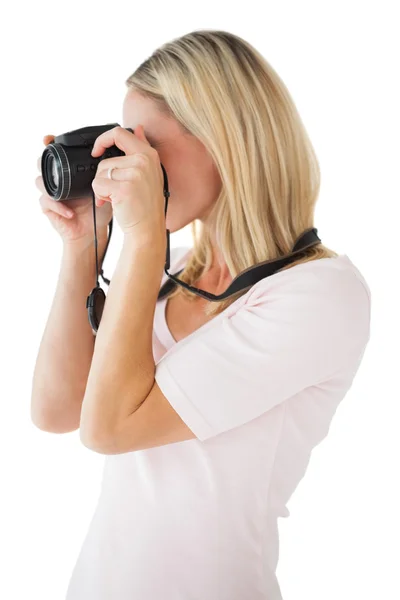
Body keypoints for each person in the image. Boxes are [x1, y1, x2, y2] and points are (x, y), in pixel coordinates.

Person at [32, 29, 371, 600]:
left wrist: (141, 238)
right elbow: (58, 409)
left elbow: (108, 429)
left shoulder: (318, 295)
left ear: (226, 140)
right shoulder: (175, 271)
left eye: (148, 147)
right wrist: (83, 249)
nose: (128, 165)